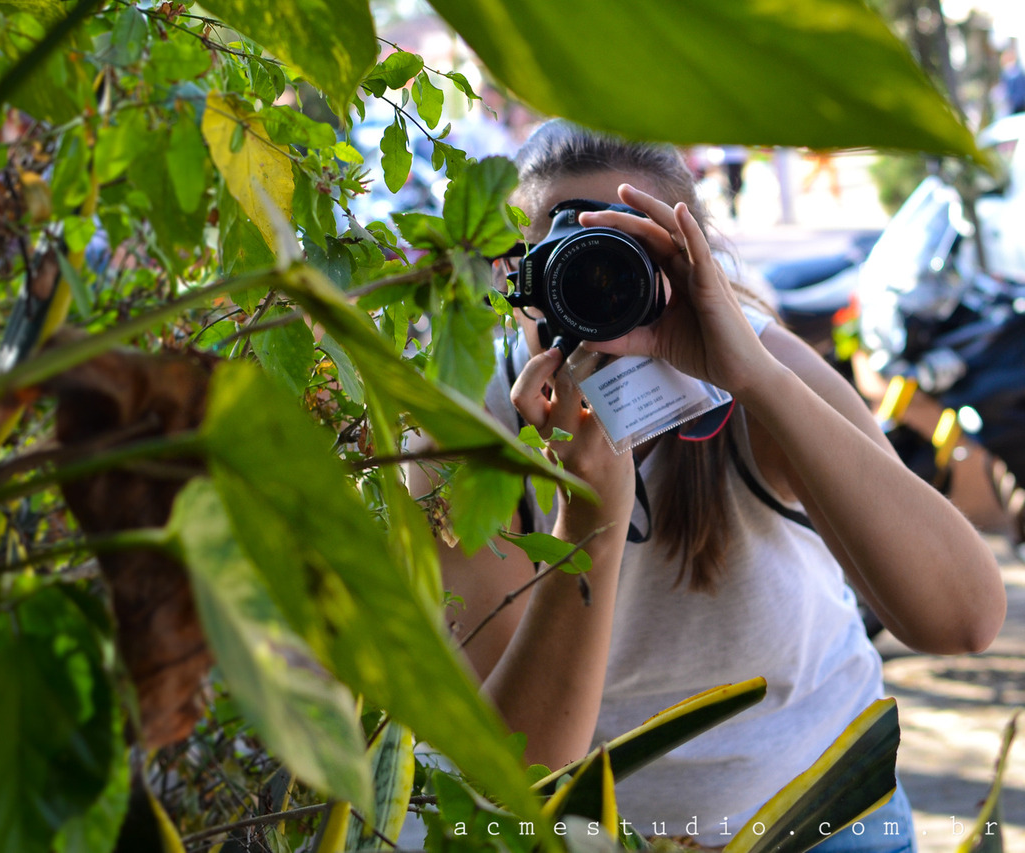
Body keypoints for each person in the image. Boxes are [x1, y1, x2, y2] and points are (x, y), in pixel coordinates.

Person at [424, 122, 1006, 850]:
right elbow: (524, 765)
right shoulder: (466, 425)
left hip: (822, 805)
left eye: (631, 255)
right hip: (611, 835)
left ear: (689, 260)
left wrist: (755, 378)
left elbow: (963, 619)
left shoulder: (760, 364)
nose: (599, 285)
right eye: (568, 256)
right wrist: (591, 523)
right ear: (522, 275)